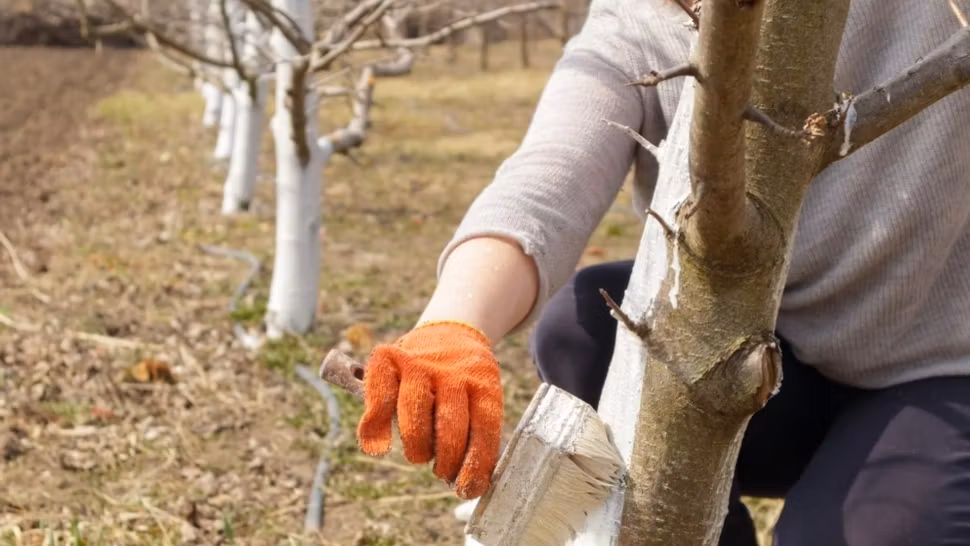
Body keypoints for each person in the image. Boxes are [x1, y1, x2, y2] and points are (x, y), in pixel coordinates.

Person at [353, 0, 970, 544]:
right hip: (769, 369)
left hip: (940, 372)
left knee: (856, 534)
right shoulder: (640, 18)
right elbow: (546, 179)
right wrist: (452, 327)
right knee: (584, 327)